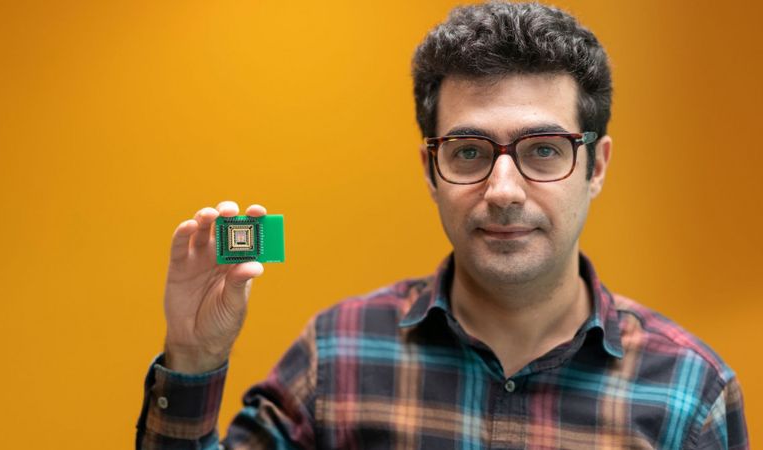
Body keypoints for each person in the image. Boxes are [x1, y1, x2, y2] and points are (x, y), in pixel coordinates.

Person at [136, 2, 748, 448]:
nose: (503, 191)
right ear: (431, 170)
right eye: (469, 151)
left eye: (542, 150)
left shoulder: (690, 393)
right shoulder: (338, 354)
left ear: (595, 166)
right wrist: (194, 357)